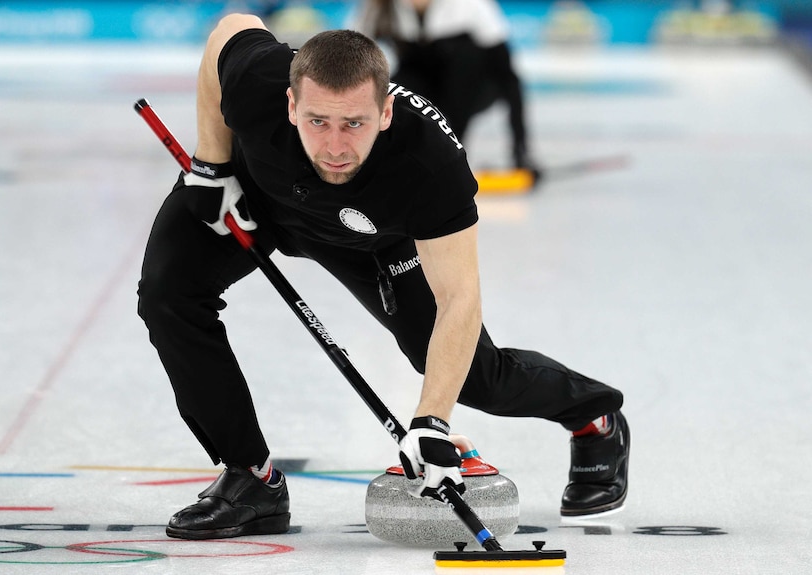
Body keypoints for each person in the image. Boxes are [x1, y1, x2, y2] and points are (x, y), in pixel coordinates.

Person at [137, 12, 628, 541]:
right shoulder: (259, 81)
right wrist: (213, 166)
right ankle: (250, 477)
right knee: (169, 295)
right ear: (290, 104)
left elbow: (459, 299)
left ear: (386, 111)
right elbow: (227, 33)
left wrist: (431, 423)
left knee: (474, 375)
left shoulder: (430, 165)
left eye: (355, 124)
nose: (335, 146)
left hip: (375, 241)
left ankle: (593, 415)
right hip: (255, 197)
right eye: (317, 121)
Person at [349, 0, 538, 173]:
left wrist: (520, 152)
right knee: (393, 88)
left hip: (473, 88)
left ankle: (452, 154)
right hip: (423, 86)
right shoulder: (379, 8)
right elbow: (351, 64)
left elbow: (508, 77)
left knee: (465, 59)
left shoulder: (471, 6)